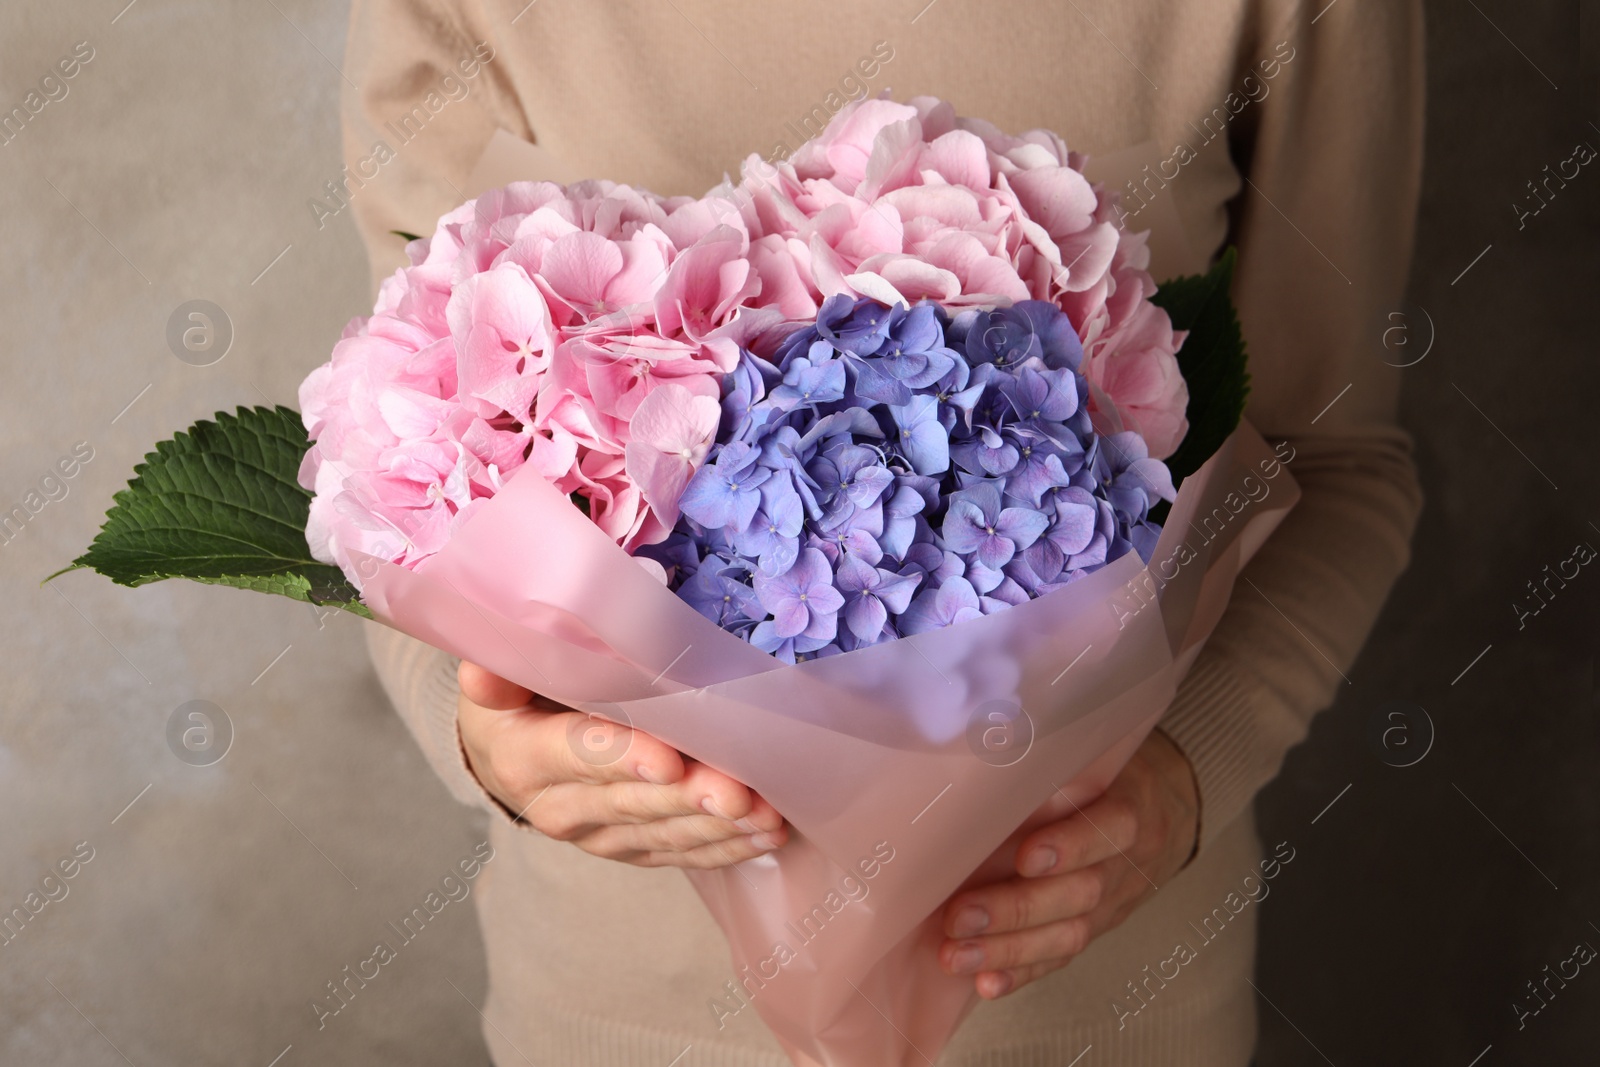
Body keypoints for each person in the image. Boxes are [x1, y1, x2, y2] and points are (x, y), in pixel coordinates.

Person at [341, 1, 1424, 1062]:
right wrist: (485, 741)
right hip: (619, 1015)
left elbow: (1334, 460)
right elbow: (388, 473)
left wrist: (1186, 772)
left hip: (1099, 1010)